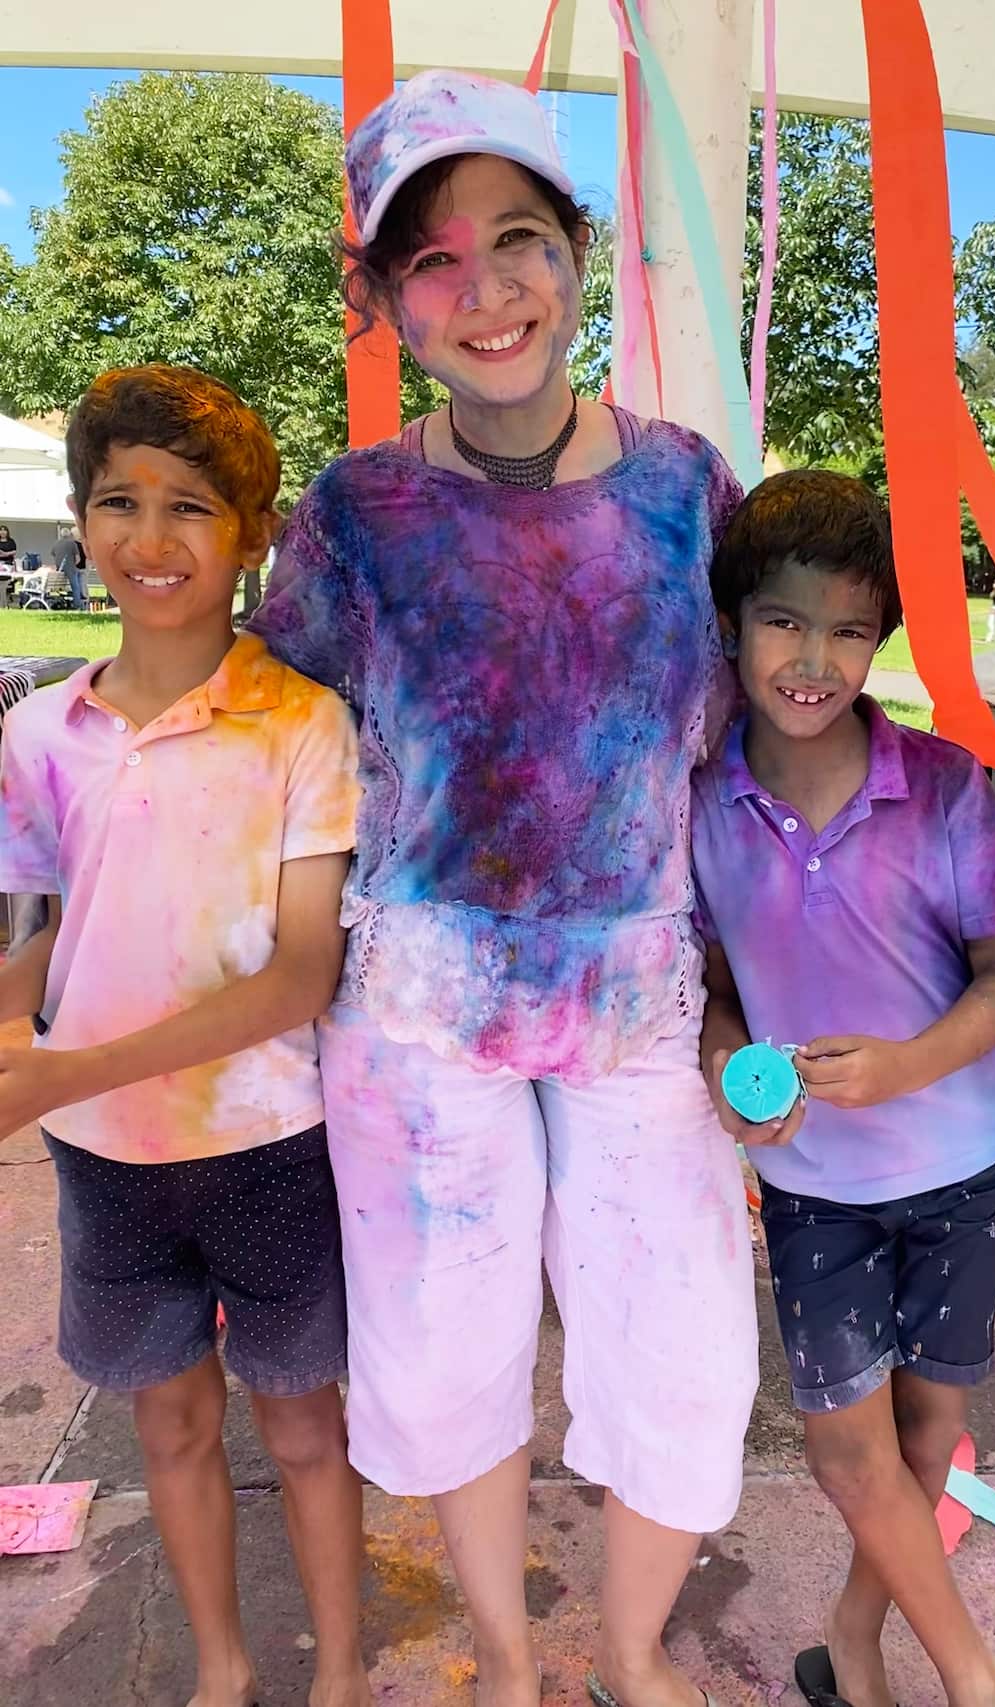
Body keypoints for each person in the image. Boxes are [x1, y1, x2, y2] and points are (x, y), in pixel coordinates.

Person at [248, 70, 757, 1707]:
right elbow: (275, 747)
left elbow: (746, 753)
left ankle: (626, 1649)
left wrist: (787, 999)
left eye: (519, 241)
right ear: (385, 296)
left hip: (638, 1008)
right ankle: (504, 1655)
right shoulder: (354, 513)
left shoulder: (687, 490)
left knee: (684, 1348)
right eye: (437, 261)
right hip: (413, 1015)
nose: (488, 293)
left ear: (580, 252)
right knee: (449, 1354)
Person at [0, 365, 371, 1707]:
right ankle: (221, 1667)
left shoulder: (304, 725)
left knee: (305, 1421)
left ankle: (338, 1672)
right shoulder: (41, 729)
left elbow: (300, 975)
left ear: (250, 534)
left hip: (270, 1141)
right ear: (81, 516)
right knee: (167, 1419)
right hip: (105, 1159)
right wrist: (8, 1023)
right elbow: (62, 930)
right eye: (117, 502)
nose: (149, 541)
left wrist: (58, 1067)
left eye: (190, 508)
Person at [694, 471, 995, 1707]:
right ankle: (977, 1681)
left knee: (922, 1443)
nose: (811, 660)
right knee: (849, 1452)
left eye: (847, 630)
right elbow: (715, 989)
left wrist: (903, 1066)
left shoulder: (944, 788)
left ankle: (850, 1645)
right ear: (731, 624)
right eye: (783, 622)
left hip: (959, 1170)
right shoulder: (701, 804)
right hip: (813, 1187)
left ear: (876, 639)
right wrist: (727, 1074)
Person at [52, 519, 88, 610]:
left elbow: (53, 554)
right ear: (69, 535)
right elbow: (78, 558)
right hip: (71, 569)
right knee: (76, 586)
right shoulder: (73, 544)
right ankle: (78, 604)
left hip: (59, 570)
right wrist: (74, 564)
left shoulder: (56, 543)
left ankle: (82, 599)